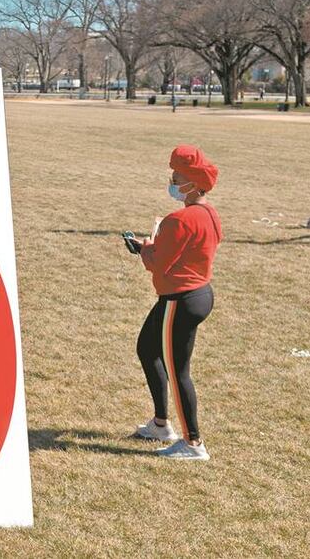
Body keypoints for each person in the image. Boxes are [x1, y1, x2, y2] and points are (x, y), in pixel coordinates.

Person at [128, 145, 222, 460]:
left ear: (194, 183)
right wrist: (153, 244)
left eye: (177, 176)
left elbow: (157, 263)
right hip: (197, 294)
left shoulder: (179, 219)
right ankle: (160, 424)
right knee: (147, 349)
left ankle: (193, 443)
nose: (172, 179)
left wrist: (144, 247)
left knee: (178, 370)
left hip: (179, 300)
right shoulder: (209, 213)